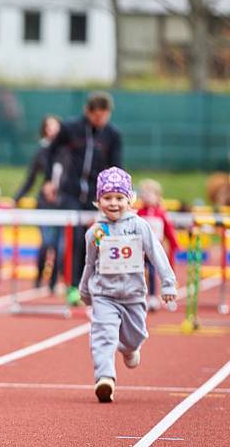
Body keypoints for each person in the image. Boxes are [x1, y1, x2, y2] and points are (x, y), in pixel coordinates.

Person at [80, 167, 177, 403]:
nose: (113, 203)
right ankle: (105, 378)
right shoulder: (95, 232)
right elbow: (89, 263)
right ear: (98, 200)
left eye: (119, 198)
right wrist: (85, 289)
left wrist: (168, 283)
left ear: (129, 200)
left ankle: (130, 348)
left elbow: (156, 253)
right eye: (107, 198)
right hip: (104, 294)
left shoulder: (139, 226)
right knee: (103, 335)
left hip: (133, 294)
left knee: (135, 336)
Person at [43, 91, 122, 305]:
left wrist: (117, 195)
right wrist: (49, 180)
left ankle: (98, 285)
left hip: (98, 197)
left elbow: (117, 166)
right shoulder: (71, 128)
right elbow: (50, 152)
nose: (100, 120)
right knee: (75, 238)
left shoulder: (112, 135)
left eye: (104, 116)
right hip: (70, 193)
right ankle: (72, 286)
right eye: (96, 116)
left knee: (96, 240)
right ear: (88, 112)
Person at [14, 115, 65, 292]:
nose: (52, 130)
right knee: (46, 242)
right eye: (48, 127)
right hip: (44, 205)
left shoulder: (67, 150)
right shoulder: (41, 151)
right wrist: (17, 197)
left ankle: (52, 283)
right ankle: (38, 277)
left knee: (60, 247)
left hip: (62, 205)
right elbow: (31, 177)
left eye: (55, 126)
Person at [136, 178, 179, 311]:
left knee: (158, 272)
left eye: (150, 193)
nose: (146, 196)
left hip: (156, 250)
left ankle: (158, 297)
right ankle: (143, 296)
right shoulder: (138, 214)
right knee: (140, 273)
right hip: (141, 251)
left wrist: (174, 244)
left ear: (157, 196)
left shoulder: (161, 214)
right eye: (144, 193)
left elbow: (169, 230)